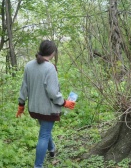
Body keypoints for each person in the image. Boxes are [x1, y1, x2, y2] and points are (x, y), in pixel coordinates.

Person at [16, 40, 75, 168]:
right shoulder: (50, 68)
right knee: (44, 135)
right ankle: (38, 166)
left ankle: (52, 149)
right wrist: (65, 102)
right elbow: (53, 92)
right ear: (53, 53)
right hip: (47, 109)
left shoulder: (28, 66)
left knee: (45, 131)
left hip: (35, 108)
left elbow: (24, 88)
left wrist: (21, 104)